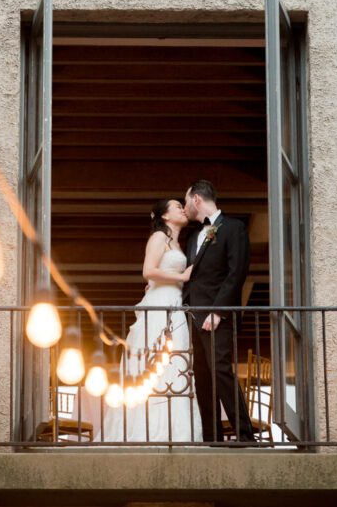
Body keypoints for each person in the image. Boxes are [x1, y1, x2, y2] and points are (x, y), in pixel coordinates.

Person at [98, 199, 203, 442]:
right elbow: (148, 271)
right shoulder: (158, 237)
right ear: (165, 216)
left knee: (177, 365)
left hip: (175, 304)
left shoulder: (178, 243)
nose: (182, 208)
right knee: (157, 362)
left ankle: (177, 433)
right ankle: (147, 432)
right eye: (177, 206)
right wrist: (183, 275)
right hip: (160, 306)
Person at [183, 179, 255, 443]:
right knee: (202, 376)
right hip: (193, 316)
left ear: (197, 199)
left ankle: (245, 435)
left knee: (221, 369)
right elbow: (193, 277)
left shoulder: (233, 228)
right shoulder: (192, 237)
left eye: (186, 201)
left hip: (216, 315)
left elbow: (236, 273)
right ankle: (212, 437)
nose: (184, 207)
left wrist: (218, 311)